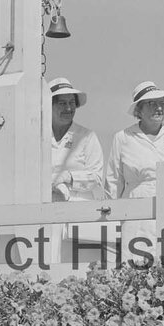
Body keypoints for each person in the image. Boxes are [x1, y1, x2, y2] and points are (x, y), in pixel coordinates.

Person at [105, 81, 164, 267]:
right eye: (151, 103)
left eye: (162, 102)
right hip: (137, 210)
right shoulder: (123, 138)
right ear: (138, 110)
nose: (159, 108)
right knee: (137, 266)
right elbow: (113, 183)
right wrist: (114, 222)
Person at [46, 77, 105, 263]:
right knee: (46, 263)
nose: (68, 108)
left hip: (79, 212)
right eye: (62, 103)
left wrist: (69, 177)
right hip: (44, 210)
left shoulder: (87, 136)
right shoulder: (36, 136)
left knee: (77, 267)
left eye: (72, 103)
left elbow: (97, 175)